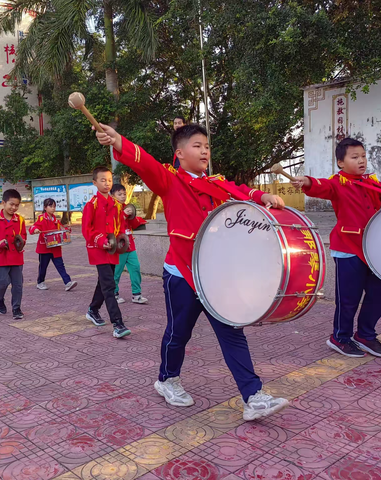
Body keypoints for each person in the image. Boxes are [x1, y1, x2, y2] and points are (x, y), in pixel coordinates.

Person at [95, 123, 289, 421]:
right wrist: (119, 140)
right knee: (178, 333)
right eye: (197, 146)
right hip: (182, 274)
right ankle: (167, 379)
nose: (204, 151)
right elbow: (144, 161)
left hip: (216, 275)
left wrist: (260, 196)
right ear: (180, 153)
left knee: (232, 331)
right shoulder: (170, 180)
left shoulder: (217, 182)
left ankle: (253, 396)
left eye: (207, 146)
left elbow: (240, 190)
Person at [292, 137, 381, 358]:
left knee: (378, 293)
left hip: (374, 250)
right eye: (354, 157)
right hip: (348, 249)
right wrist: (306, 181)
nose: (361, 161)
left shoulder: (372, 182)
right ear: (341, 162)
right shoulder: (337, 183)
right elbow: (320, 186)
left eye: (363, 156)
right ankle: (340, 337)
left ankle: (365, 335)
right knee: (348, 298)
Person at [82, 167, 131, 339]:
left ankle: (93, 309)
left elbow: (121, 226)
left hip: (113, 250)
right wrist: (101, 240)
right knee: (109, 286)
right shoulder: (91, 205)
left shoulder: (116, 205)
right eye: (103, 180)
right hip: (99, 250)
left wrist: (122, 239)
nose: (107, 183)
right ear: (94, 182)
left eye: (109, 180)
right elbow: (87, 230)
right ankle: (118, 324)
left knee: (104, 283)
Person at [0, 189, 26, 320]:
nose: (13, 208)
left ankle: (16, 308)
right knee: (2, 282)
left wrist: (22, 241)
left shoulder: (20, 220)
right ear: (3, 203)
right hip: (0, 257)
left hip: (16, 257)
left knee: (18, 284)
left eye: (16, 205)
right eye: (11, 204)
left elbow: (23, 236)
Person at [29, 198, 77, 292]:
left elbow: (61, 230)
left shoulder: (55, 219)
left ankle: (67, 282)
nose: (53, 208)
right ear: (45, 207)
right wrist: (35, 230)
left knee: (60, 265)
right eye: (50, 206)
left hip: (55, 247)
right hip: (45, 247)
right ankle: (40, 282)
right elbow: (33, 227)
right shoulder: (41, 218)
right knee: (43, 266)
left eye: (54, 206)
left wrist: (67, 229)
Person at [110, 184, 148, 304]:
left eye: (124, 194)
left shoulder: (127, 207)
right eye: (119, 194)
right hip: (118, 247)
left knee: (135, 268)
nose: (123, 196)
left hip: (130, 245)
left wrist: (133, 217)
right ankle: (114, 294)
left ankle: (136, 294)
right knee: (116, 272)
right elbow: (112, 223)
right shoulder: (110, 209)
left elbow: (134, 225)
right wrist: (124, 215)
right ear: (112, 196)